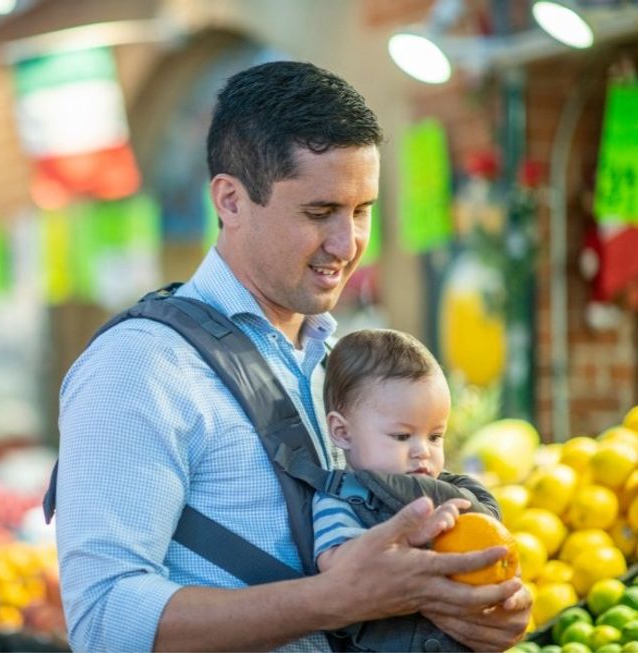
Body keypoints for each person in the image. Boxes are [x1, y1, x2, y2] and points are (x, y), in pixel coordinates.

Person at [55, 60, 531, 652]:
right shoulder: (140, 369)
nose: (348, 244)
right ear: (230, 200)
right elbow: (103, 622)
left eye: (362, 211)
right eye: (319, 212)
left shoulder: (338, 362)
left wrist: (470, 606)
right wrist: (334, 600)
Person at [313, 328, 501, 650]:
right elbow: (338, 571)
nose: (422, 452)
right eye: (402, 437)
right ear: (343, 432)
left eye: (435, 436)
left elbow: (492, 527)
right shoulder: (340, 499)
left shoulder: (450, 491)